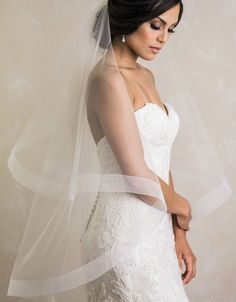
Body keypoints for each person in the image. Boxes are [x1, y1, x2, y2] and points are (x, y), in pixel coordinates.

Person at [81, 0, 196, 300]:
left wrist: (178, 233)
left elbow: (159, 156)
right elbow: (136, 173)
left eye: (171, 29)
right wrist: (183, 208)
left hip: (155, 226)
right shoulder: (108, 79)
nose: (163, 38)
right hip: (123, 236)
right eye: (156, 26)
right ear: (130, 17)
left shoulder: (145, 76)